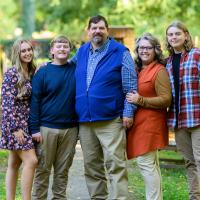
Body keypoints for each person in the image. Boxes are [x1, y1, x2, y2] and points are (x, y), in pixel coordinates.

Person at [71, 15, 137, 200]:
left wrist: (128, 113)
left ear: (107, 31)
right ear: (88, 31)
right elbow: (66, 69)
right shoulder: (82, 52)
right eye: (94, 28)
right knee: (92, 167)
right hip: (85, 121)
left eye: (101, 28)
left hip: (111, 120)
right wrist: (47, 65)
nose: (97, 31)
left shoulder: (120, 52)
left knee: (115, 165)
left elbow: (131, 87)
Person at [29, 35, 78, 200]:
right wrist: (34, 129)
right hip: (46, 128)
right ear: (52, 51)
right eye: (59, 46)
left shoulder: (76, 69)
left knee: (62, 172)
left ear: (69, 50)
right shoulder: (42, 72)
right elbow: (34, 102)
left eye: (65, 46)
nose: (62, 49)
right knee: (42, 170)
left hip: (70, 129)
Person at [126, 33, 172, 200]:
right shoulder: (137, 69)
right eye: (141, 47)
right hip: (139, 124)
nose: (144, 51)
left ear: (155, 50)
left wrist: (141, 100)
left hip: (151, 124)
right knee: (151, 165)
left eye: (148, 47)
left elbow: (166, 99)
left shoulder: (159, 71)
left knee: (146, 163)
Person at [166, 21, 200, 200]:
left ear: (186, 35)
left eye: (177, 33)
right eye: (170, 35)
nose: (173, 37)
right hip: (178, 120)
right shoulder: (168, 62)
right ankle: (194, 197)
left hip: (197, 117)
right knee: (190, 162)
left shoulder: (197, 55)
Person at [0, 39, 38, 200]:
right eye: (23, 51)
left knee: (14, 164)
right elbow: (6, 103)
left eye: (29, 49)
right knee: (32, 161)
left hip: (27, 123)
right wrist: (16, 128)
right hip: (14, 124)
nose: (28, 53)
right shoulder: (11, 73)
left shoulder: (31, 71)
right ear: (17, 53)